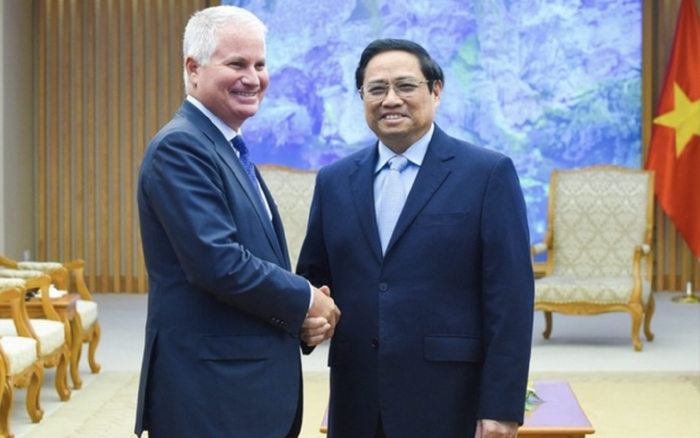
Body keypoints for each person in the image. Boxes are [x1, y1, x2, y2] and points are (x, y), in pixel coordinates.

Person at [297, 38, 534, 438]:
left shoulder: (487, 173)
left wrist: (501, 406)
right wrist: (307, 321)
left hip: (448, 401)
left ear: (435, 91)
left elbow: (510, 300)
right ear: (361, 97)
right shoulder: (334, 181)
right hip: (357, 402)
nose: (391, 99)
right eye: (376, 89)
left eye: (405, 86)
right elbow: (315, 282)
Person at [134, 6, 338, 438]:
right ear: (193, 69)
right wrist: (306, 299)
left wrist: (299, 318)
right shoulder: (181, 148)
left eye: (260, 65)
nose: (253, 78)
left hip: (242, 392)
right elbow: (219, 264)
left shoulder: (226, 146)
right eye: (237, 64)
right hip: (211, 399)